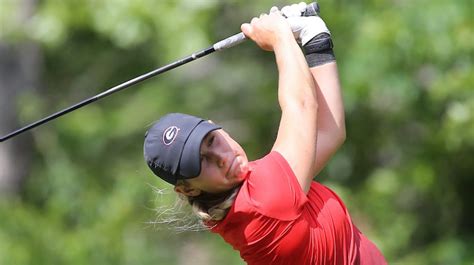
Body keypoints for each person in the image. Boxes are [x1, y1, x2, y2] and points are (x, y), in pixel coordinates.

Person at [143, 2, 387, 264]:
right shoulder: (262, 205)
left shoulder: (251, 191)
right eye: (202, 162)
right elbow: (302, 106)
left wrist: (315, 39)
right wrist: (280, 36)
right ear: (188, 190)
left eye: (212, 140)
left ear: (217, 126)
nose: (221, 156)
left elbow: (328, 133)